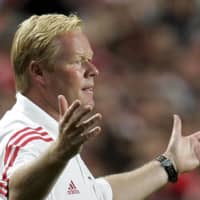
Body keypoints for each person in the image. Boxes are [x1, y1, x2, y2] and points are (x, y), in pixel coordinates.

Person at [0, 14, 200, 200]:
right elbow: (16, 194)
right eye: (78, 61)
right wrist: (59, 153)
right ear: (38, 72)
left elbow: (99, 194)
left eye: (90, 60)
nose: (93, 70)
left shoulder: (54, 138)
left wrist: (169, 164)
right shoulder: (21, 135)